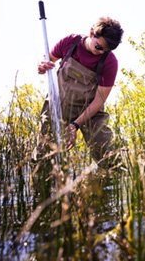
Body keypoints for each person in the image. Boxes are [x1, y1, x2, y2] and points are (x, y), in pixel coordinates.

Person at [37, 16, 123, 168]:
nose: (101, 52)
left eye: (106, 50)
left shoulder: (110, 62)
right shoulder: (70, 42)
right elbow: (47, 60)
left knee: (107, 152)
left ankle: (112, 182)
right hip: (58, 103)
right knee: (43, 154)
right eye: (98, 47)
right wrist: (42, 66)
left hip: (90, 110)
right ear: (91, 33)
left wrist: (75, 125)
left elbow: (99, 100)